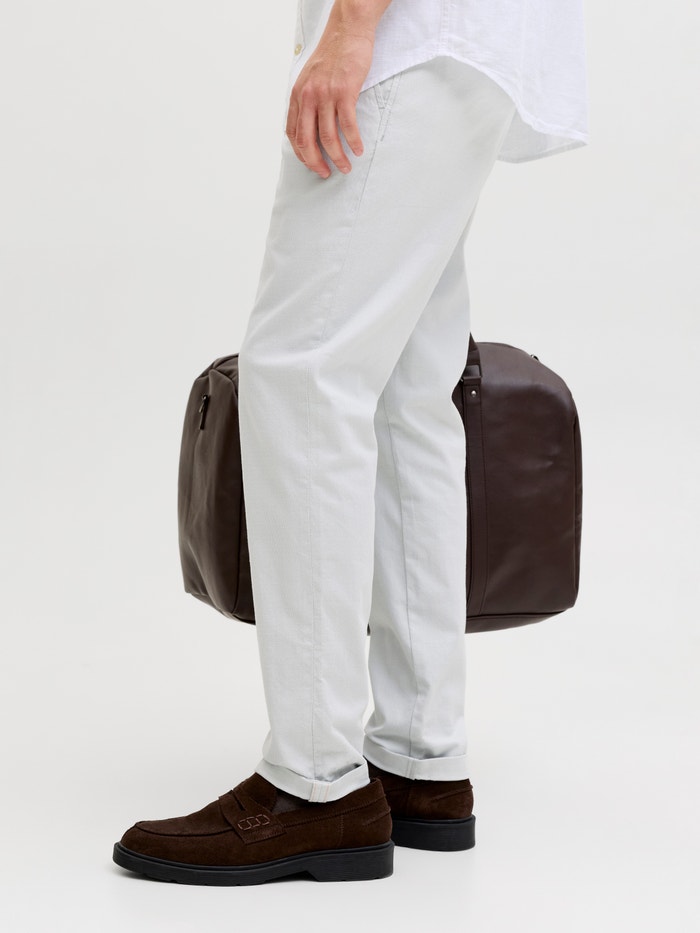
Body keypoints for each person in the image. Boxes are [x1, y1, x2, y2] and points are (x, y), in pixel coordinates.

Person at [113, 0, 589, 885]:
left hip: (411, 38)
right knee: (407, 394)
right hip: (464, 43)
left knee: (304, 375)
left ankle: (315, 779)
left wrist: (350, 27)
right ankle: (418, 759)